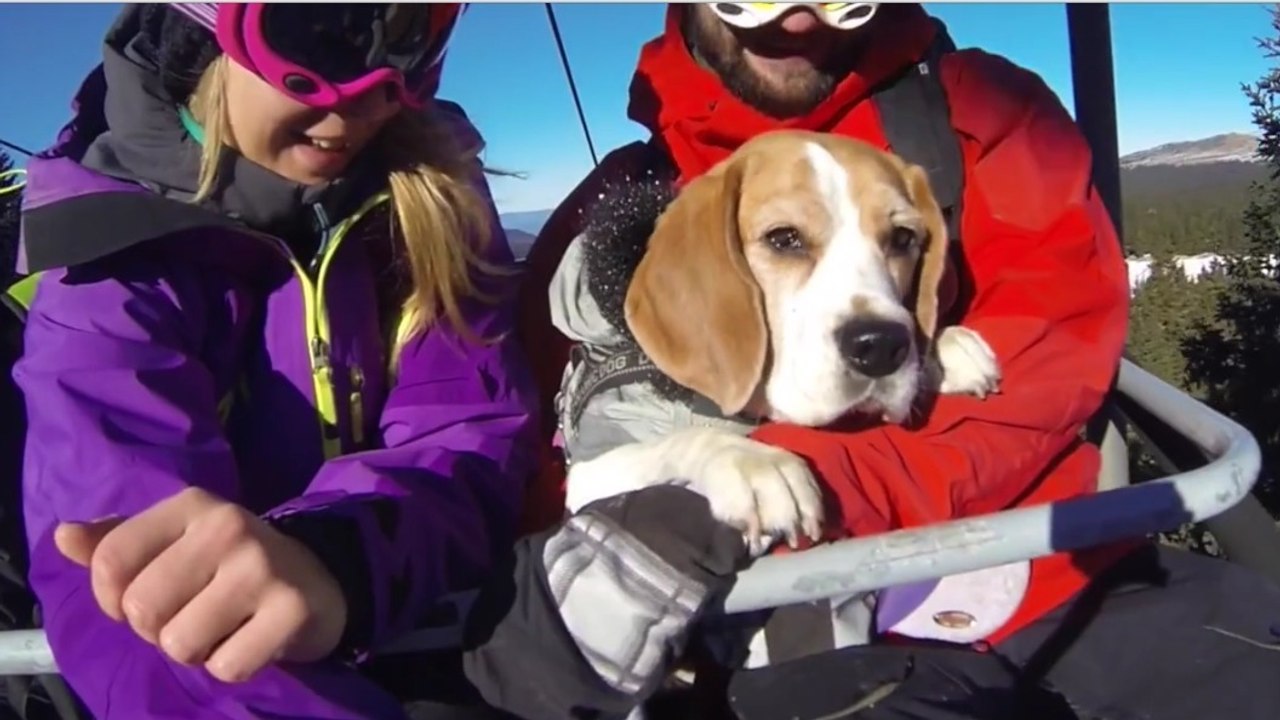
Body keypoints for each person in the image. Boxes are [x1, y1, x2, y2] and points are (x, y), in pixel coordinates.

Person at [464, 3, 1280, 720]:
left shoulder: (983, 122)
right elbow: (542, 460)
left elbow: (1043, 363)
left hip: (1045, 579)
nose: (797, 16)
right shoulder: (614, 208)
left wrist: (792, 475)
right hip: (761, 634)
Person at [11, 3, 537, 719]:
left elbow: (469, 430)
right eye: (318, 30)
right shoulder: (110, 267)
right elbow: (129, 595)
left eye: (412, 33)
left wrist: (338, 555)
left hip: (442, 639)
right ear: (202, 32)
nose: (371, 93)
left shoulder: (430, 198)